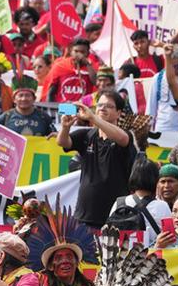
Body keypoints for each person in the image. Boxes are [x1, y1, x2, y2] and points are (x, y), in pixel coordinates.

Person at [57, 92, 135, 228]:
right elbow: (63, 142)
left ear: (118, 113)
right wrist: (65, 127)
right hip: (85, 215)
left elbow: (123, 139)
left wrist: (93, 118)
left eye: (109, 106)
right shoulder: (86, 135)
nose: (102, 108)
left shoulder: (123, 135)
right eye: (100, 105)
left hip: (114, 216)